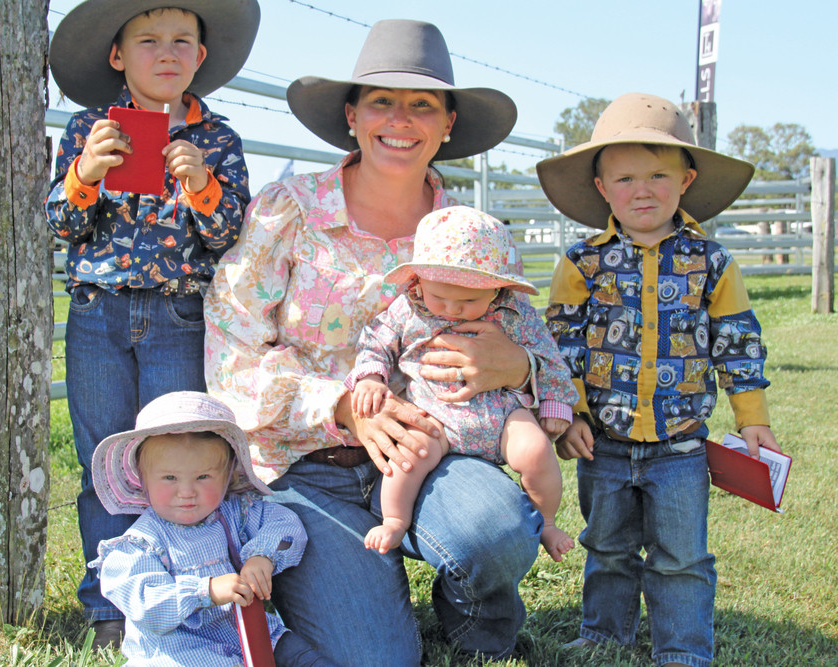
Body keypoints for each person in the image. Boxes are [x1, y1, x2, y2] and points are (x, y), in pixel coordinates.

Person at [205, 19, 543, 664]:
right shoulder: (292, 209)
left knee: (495, 534)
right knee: (376, 659)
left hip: (437, 449)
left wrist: (519, 364)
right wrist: (338, 406)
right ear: (352, 116)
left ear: (447, 124)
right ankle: (305, 577)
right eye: (382, 101)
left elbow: (530, 335)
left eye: (423, 105)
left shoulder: (468, 235)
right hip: (311, 467)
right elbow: (231, 357)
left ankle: (474, 631)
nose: (401, 119)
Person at [537, 93, 783, 667]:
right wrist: (569, 412)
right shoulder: (581, 263)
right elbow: (559, 345)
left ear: (686, 179)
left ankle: (684, 649)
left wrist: (755, 421)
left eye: (657, 175)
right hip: (604, 441)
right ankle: (603, 634)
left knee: (681, 555)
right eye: (623, 178)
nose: (641, 190)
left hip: (681, 444)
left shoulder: (713, 262)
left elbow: (737, 342)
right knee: (609, 546)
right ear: (601, 187)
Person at [45, 0, 259, 647]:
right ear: (118, 55)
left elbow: (229, 236)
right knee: (102, 459)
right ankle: (112, 604)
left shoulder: (216, 139)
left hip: (177, 314)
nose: (165, 53)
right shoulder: (89, 128)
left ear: (199, 56)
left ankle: (190, 586)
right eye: (147, 41)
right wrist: (85, 173)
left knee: (182, 455)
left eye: (180, 41)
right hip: (98, 311)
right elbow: (60, 222)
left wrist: (202, 186)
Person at [346, 206, 580, 561]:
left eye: (469, 300)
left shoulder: (515, 314)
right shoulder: (406, 309)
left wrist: (556, 403)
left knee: (534, 450)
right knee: (409, 454)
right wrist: (370, 377)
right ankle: (395, 518)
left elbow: (548, 355)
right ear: (419, 281)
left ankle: (545, 521)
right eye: (439, 297)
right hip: (433, 415)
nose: (452, 309)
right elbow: (377, 341)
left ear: (496, 288)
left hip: (502, 416)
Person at [88, 391, 335, 666]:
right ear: (142, 478)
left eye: (203, 476)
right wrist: (205, 591)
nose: (186, 492)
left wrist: (262, 556)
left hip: (251, 635)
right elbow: (147, 605)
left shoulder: (234, 513)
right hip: (180, 651)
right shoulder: (141, 543)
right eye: (169, 477)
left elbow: (285, 524)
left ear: (227, 474)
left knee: (303, 658)